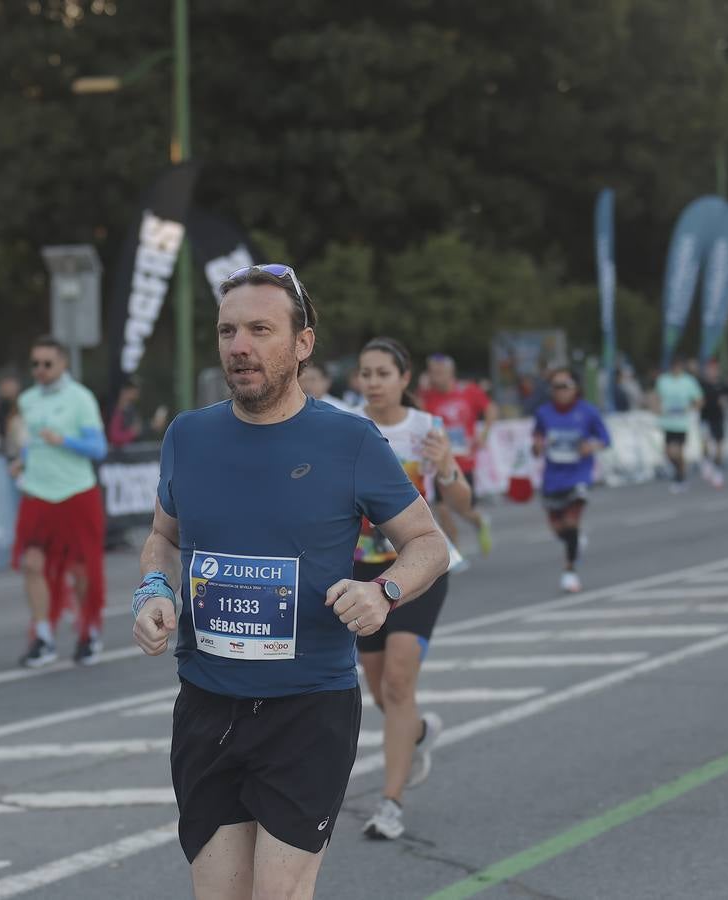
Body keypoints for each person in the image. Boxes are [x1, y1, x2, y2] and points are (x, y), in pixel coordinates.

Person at [131, 264, 448, 897]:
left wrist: (381, 591)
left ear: (302, 344)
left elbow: (428, 543)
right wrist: (154, 591)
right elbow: (163, 538)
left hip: (308, 710)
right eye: (227, 331)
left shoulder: (348, 440)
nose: (239, 346)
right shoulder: (188, 437)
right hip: (207, 705)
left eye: (259, 329)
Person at [352, 336, 467, 841]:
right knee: (379, 689)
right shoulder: (347, 427)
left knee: (399, 683)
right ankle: (417, 732)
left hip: (418, 571)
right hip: (359, 574)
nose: (373, 382)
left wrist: (445, 466)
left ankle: (390, 804)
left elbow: (462, 501)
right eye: (366, 373)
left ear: (404, 379)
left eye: (383, 373)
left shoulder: (427, 430)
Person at [11, 336, 110, 667]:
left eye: (47, 364)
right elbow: (29, 442)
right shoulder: (27, 400)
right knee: (32, 564)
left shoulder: (80, 399)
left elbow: (98, 449)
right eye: (35, 364)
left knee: (81, 569)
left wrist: (64, 440)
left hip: (75, 493)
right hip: (38, 493)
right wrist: (22, 460)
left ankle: (88, 630)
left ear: (63, 364)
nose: (39, 370)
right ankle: (42, 635)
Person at [531, 369, 611, 593]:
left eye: (565, 386)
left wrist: (591, 446)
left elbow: (606, 439)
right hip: (553, 477)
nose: (561, 391)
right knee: (558, 529)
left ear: (575, 388)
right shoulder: (543, 413)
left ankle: (570, 571)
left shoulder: (588, 412)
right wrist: (537, 446)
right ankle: (574, 540)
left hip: (579, 475)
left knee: (571, 521)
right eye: (556, 387)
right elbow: (537, 439)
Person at [417, 353, 495, 555]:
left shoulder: (468, 391)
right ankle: (454, 552)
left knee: (464, 509)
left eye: (440, 372)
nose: (436, 377)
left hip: (465, 461)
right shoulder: (426, 395)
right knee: (442, 508)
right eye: (432, 372)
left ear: (451, 373)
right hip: (441, 460)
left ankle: (479, 520)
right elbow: (415, 413)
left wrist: (484, 432)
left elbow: (490, 409)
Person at [653, 357, 703, 493]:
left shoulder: (688, 381)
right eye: (673, 366)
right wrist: (656, 408)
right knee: (669, 452)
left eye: (678, 366)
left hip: (682, 423)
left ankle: (680, 477)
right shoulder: (663, 380)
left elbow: (698, 399)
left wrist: (692, 409)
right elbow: (656, 397)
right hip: (668, 422)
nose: (676, 369)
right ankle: (678, 472)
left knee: (679, 452)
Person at [107, 377, 169, 449]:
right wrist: (132, 432)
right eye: (134, 389)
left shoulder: (131, 409)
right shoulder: (116, 411)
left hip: (135, 453)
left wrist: (153, 425)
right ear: (124, 391)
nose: (137, 392)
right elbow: (114, 436)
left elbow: (138, 430)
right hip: (119, 456)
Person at [697, 359, 728, 487]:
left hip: (718, 417)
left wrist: (725, 402)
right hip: (705, 418)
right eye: (710, 369)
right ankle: (706, 461)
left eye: (714, 369)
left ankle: (718, 470)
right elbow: (696, 399)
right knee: (705, 444)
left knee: (719, 445)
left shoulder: (722, 384)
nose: (712, 371)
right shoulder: (701, 384)